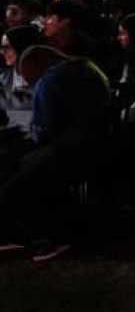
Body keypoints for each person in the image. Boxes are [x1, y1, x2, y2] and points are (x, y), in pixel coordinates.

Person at [0, 46, 113, 261]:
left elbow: (45, 127)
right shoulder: (88, 68)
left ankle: (48, 239)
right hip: (99, 145)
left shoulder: (49, 81)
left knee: (13, 185)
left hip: (70, 150)